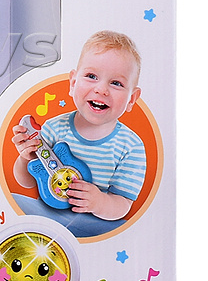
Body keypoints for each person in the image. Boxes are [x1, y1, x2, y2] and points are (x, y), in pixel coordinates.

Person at [12, 31, 146, 237]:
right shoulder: (54, 128)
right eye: (91, 76)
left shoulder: (130, 146)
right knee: (16, 201)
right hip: (48, 218)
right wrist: (25, 158)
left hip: (92, 225)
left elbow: (123, 204)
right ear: (73, 83)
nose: (101, 89)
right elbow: (27, 182)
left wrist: (100, 203)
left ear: (131, 99)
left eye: (116, 83)